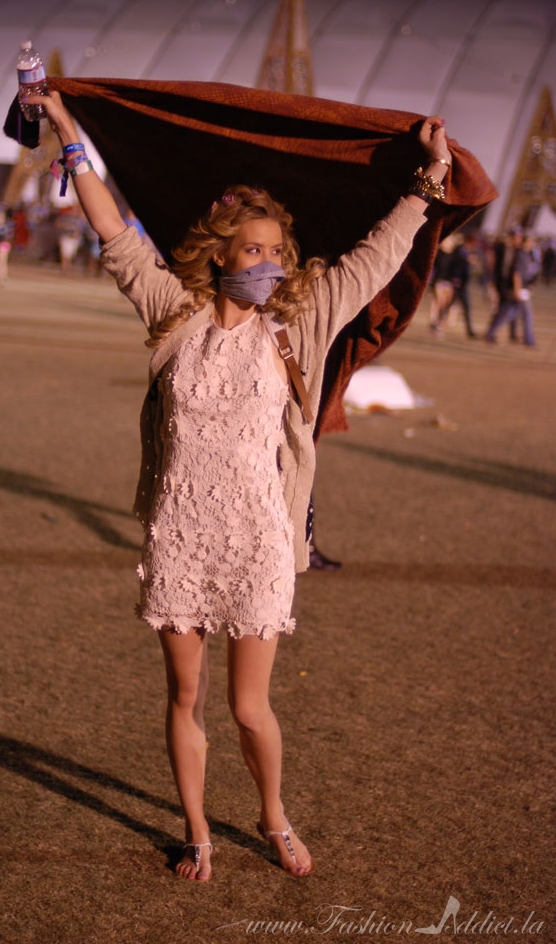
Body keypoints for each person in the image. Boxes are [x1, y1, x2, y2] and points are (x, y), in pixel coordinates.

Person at [25, 89, 451, 883]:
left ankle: (272, 813)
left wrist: (431, 176)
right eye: (250, 250)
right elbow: (113, 231)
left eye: (274, 250)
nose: (266, 263)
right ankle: (197, 832)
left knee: (249, 707)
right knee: (184, 694)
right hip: (181, 535)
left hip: (257, 539)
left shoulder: (301, 321)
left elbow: (378, 254)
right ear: (220, 253)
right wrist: (67, 132)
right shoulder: (172, 313)